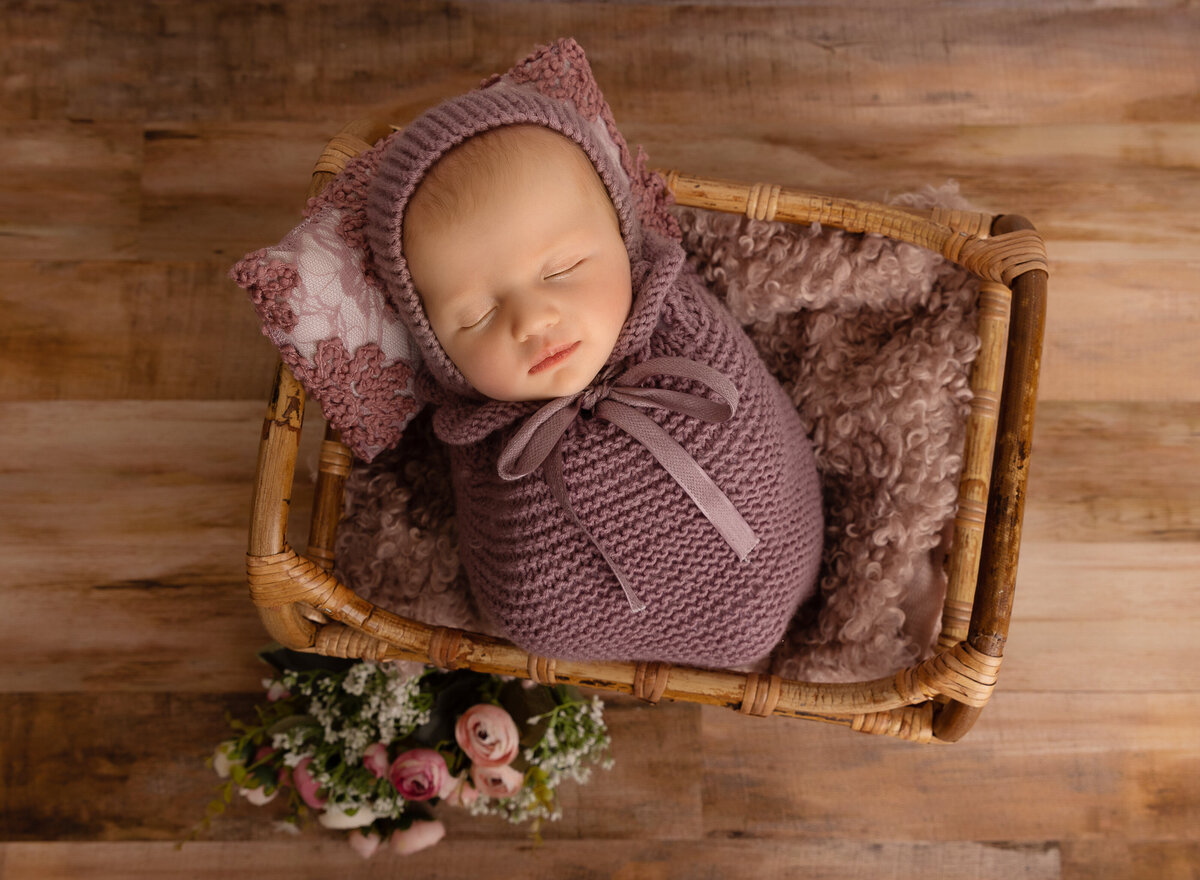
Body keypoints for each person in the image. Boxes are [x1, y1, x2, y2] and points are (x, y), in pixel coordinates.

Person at [357, 49, 825, 669]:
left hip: (787, 546)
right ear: (435, 346)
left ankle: (762, 606)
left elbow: (751, 430)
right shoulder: (486, 443)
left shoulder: (681, 330)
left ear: (623, 240)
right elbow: (512, 567)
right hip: (604, 633)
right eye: (475, 316)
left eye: (563, 270)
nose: (532, 321)